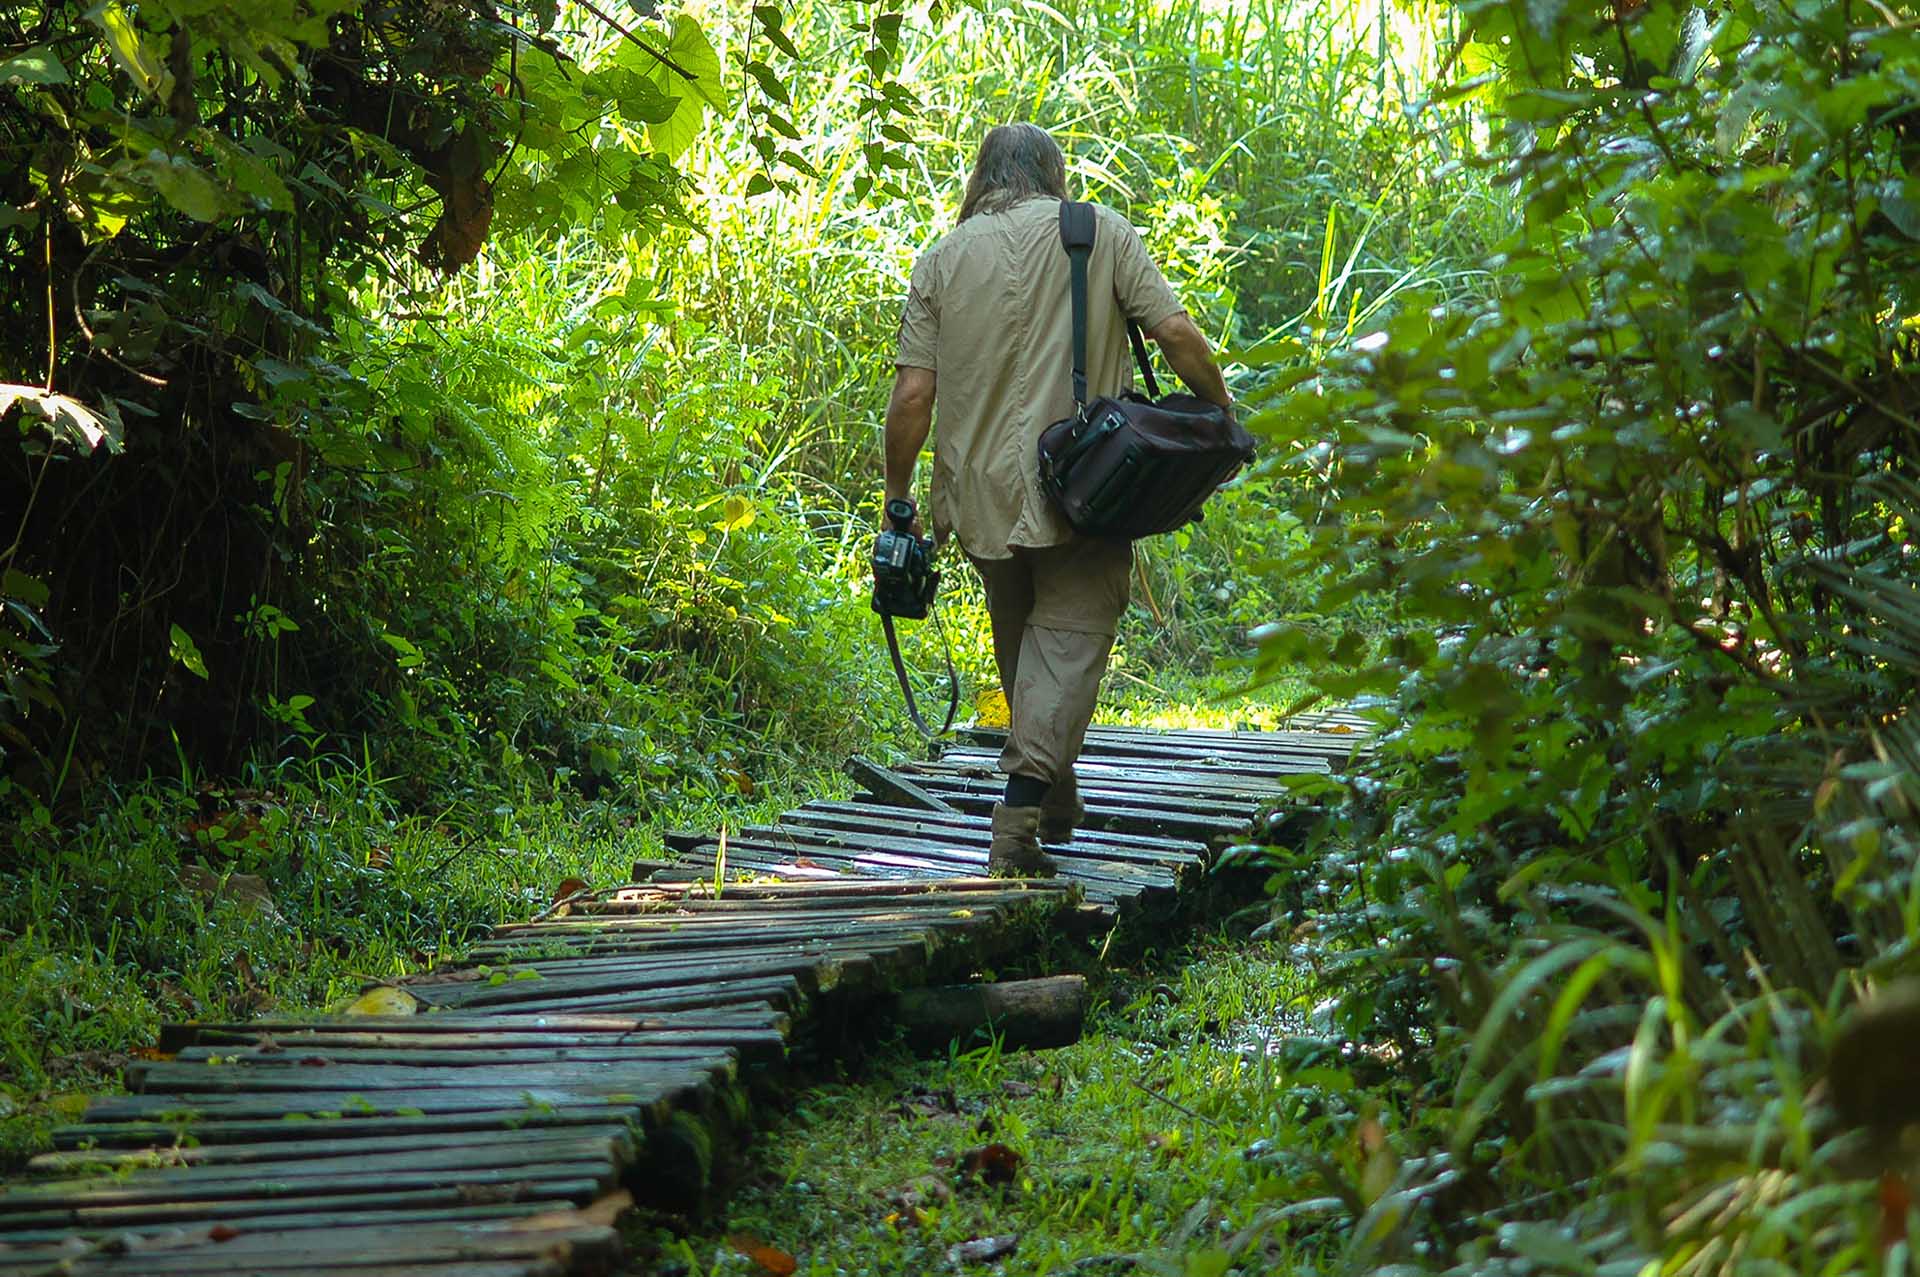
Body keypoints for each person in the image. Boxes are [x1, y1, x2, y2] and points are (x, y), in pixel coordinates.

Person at [882, 122, 1232, 877]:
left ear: (982, 178)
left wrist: (897, 493)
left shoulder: (942, 258)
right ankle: (1015, 822)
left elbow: (913, 392)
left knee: (1021, 640)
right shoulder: (1097, 232)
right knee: (1069, 639)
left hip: (977, 494)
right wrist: (1222, 410)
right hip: (1082, 485)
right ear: (1052, 173)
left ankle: (1056, 791)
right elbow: (1175, 334)